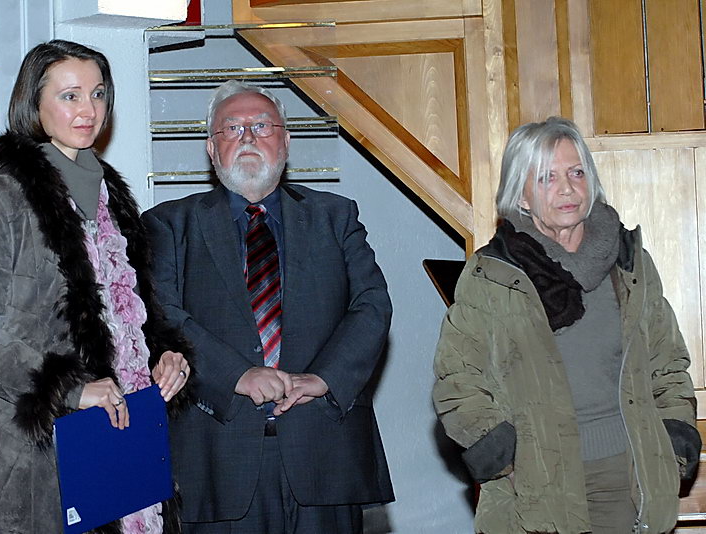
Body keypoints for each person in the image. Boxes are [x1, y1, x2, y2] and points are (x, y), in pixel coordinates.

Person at [0, 40, 192, 534]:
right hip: (40, 451)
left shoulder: (113, 199)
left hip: (127, 439)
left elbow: (127, 318)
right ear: (33, 104)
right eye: (70, 96)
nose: (89, 110)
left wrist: (165, 354)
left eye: (98, 94)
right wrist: (73, 388)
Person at [141, 80, 394, 534]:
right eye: (231, 128)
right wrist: (237, 375)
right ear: (211, 149)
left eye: (261, 126)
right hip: (216, 461)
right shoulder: (168, 224)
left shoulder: (336, 216)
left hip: (325, 455)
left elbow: (372, 305)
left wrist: (324, 378)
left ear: (286, 142)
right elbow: (163, 315)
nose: (248, 137)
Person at [433, 116, 700, 534]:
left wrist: (674, 437)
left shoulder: (629, 263)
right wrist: (505, 457)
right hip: (536, 485)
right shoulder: (492, 275)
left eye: (576, 173)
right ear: (521, 196)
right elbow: (457, 380)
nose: (567, 188)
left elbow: (666, 362)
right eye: (546, 177)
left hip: (627, 476)